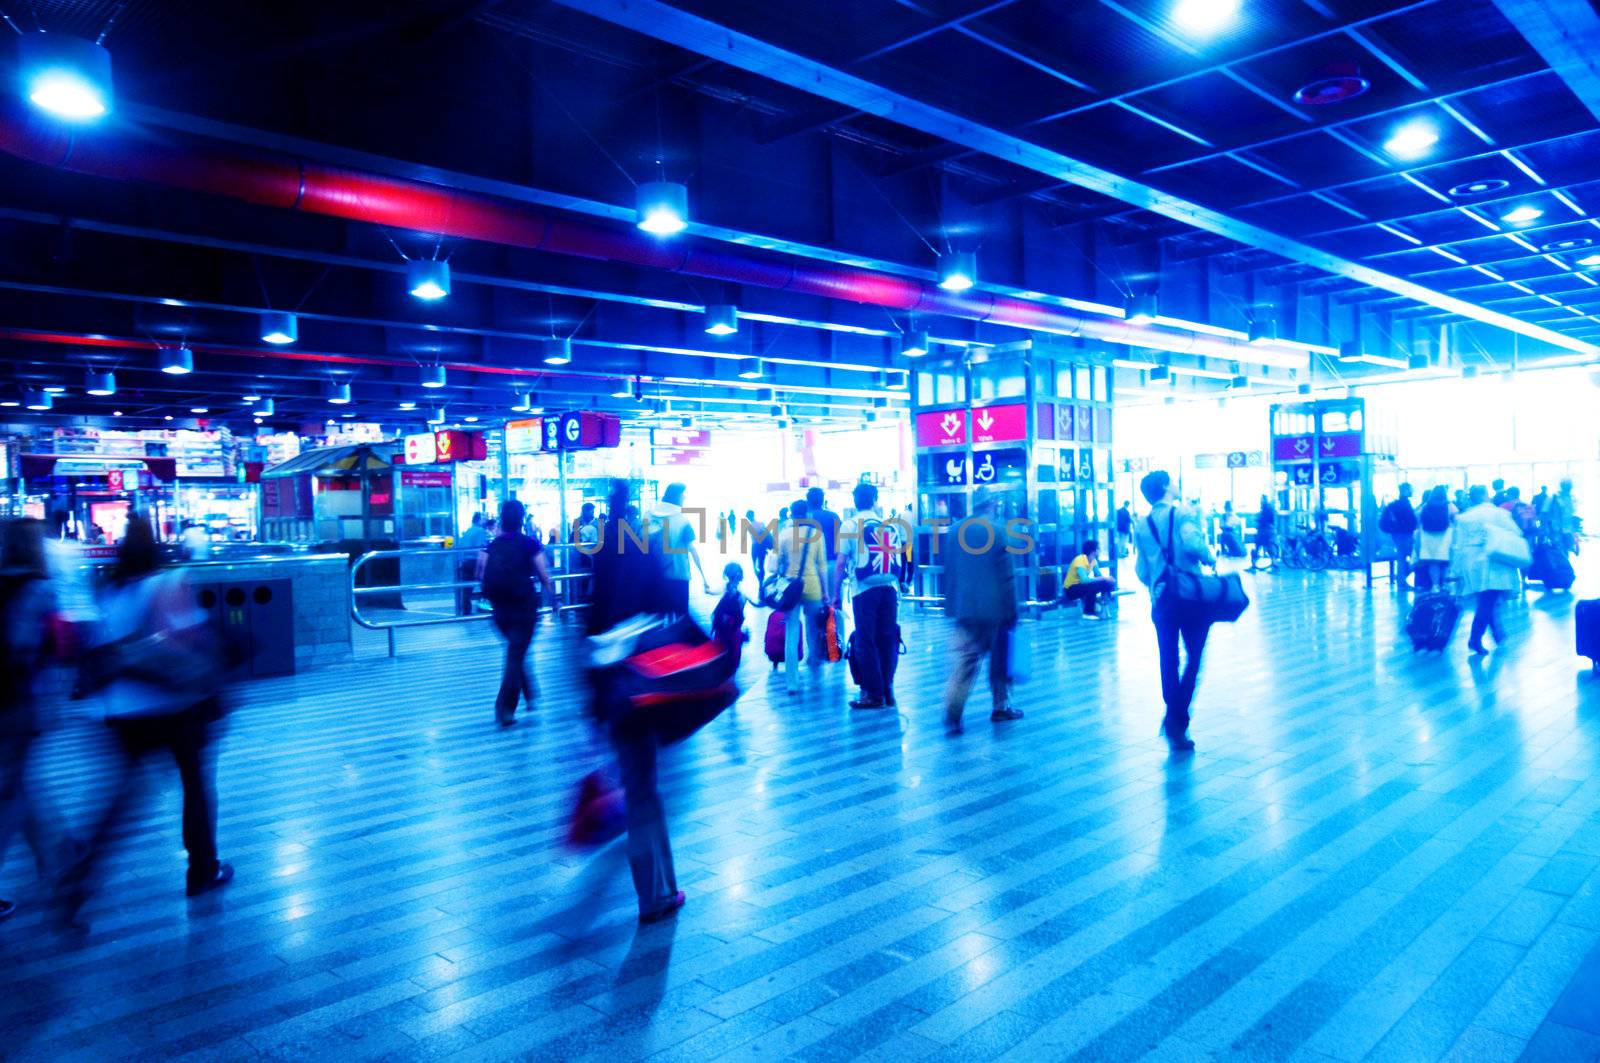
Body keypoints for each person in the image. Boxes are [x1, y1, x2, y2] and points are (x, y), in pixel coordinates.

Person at [62, 515, 232, 921]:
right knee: (194, 786)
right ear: (156, 546)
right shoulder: (169, 583)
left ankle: (79, 879)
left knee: (119, 801)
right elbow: (192, 641)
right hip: (176, 706)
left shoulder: (108, 589)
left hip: (122, 710)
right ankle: (201, 871)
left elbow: (97, 648)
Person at [586, 480, 682, 924]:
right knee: (645, 791)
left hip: (610, 681)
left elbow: (589, 619)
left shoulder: (603, 552)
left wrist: (592, 699)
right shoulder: (643, 547)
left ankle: (665, 886)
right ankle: (653, 897)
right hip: (643, 678)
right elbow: (667, 605)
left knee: (639, 784)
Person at [0, 519, 59, 922]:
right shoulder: (38, 588)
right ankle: (58, 859)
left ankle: (54, 862)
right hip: (18, 701)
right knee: (13, 793)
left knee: (19, 783)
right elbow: (27, 648)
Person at [1134, 470, 1214, 753]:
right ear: (1166, 486)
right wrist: (1210, 556)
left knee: (1168, 657)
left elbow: (1141, 570)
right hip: (1191, 596)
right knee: (1194, 657)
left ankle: (1174, 716)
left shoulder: (1142, 523)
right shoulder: (1183, 513)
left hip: (1162, 599)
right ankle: (1177, 719)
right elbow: (1194, 544)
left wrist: (1158, 583)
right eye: (1174, 482)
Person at [941, 486, 1023, 735]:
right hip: (995, 609)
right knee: (1000, 661)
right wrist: (1013, 610)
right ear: (991, 504)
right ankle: (1000, 707)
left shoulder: (955, 531)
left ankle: (953, 713)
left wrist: (952, 606)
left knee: (966, 661)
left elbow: (950, 571)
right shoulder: (999, 531)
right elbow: (1006, 575)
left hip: (965, 609)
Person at [834, 481, 906, 710]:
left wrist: (836, 594)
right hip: (889, 588)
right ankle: (888, 689)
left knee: (867, 640)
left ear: (854, 501)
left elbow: (841, 564)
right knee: (887, 638)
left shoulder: (849, 525)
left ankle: (873, 695)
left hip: (863, 590)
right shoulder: (889, 526)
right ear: (875, 500)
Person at [481, 500, 551, 727]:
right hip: (524, 608)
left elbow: (479, 573)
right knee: (515, 654)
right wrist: (556, 601)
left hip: (499, 608)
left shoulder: (492, 545)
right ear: (522, 519)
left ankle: (531, 693)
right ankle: (505, 708)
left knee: (516, 650)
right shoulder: (530, 543)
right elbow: (543, 574)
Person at [1453, 485, 1524, 655]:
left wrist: (1455, 571)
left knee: (1486, 600)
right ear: (1486, 495)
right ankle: (1475, 639)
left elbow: (1458, 545)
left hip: (1471, 562)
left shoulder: (1464, 517)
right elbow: (1516, 532)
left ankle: (1498, 635)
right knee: (1488, 600)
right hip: (1494, 561)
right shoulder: (1499, 514)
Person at [770, 498, 828, 696]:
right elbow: (822, 567)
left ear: (791, 515)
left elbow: (775, 565)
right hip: (812, 587)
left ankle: (792, 683)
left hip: (790, 589)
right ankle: (815, 673)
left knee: (791, 634)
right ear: (808, 514)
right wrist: (826, 592)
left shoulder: (783, 534)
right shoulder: (817, 535)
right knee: (813, 631)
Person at [650, 483, 713, 615]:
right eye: (683, 494)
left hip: (655, 576)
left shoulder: (649, 516)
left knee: (659, 618)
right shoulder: (682, 521)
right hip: (679, 577)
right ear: (677, 496)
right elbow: (692, 550)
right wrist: (704, 578)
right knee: (680, 618)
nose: (685, 497)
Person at [1415, 486, 1455, 592]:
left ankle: (1435, 585)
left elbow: (1418, 515)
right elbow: (1456, 514)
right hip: (1445, 535)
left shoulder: (1426, 505)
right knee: (1445, 561)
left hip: (1428, 536)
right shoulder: (1448, 504)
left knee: (1433, 562)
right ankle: (1444, 584)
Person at [1063, 540, 1116, 619]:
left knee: (1107, 582)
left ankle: (1103, 602)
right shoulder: (1080, 560)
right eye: (1098, 548)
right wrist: (1103, 578)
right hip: (1071, 589)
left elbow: (1099, 576)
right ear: (1093, 551)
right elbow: (1084, 580)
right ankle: (1087, 613)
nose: (1100, 550)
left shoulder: (1093, 561)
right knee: (1092, 586)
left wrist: (1107, 580)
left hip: (1081, 587)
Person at [1380, 483, 1419, 587]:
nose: (1412, 491)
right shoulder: (1405, 504)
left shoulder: (1394, 505)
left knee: (1402, 557)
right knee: (1411, 557)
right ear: (1405, 490)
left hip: (1396, 534)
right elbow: (1412, 521)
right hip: (1405, 534)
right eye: (1411, 489)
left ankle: (1400, 579)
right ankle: (1401, 580)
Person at [711, 561, 748, 669]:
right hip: (735, 627)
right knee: (735, 650)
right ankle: (731, 670)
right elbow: (755, 602)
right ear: (740, 576)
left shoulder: (724, 588)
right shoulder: (742, 592)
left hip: (721, 625)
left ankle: (719, 666)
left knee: (719, 647)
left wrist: (707, 588)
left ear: (726, 575)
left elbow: (711, 591)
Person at [455, 513, 489, 615]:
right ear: (479, 520)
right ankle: (486, 607)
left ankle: (466, 612)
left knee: (466, 590)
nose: (485, 521)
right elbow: (480, 549)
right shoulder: (480, 531)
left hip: (465, 563)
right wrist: (481, 566)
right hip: (474, 562)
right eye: (483, 519)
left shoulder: (468, 531)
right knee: (486, 585)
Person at [806, 487, 841, 565]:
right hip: (831, 561)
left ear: (807, 501)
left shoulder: (804, 518)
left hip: (810, 564)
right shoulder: (833, 516)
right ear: (822, 501)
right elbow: (840, 541)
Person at [1252, 495, 1277, 569]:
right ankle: (1274, 562)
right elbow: (1273, 520)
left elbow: (1261, 520)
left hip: (1263, 530)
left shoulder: (1264, 509)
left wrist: (1257, 519)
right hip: (1270, 529)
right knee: (1270, 546)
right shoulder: (1271, 509)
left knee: (1257, 546)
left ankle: (1253, 564)